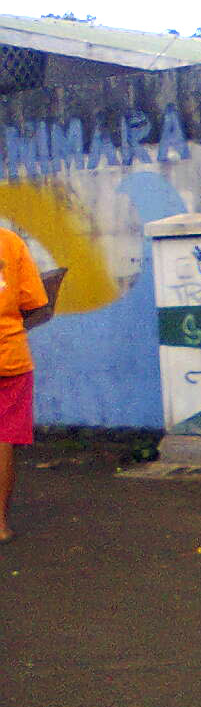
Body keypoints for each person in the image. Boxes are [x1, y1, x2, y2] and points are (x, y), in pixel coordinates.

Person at [0, 225, 50, 544]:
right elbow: (35, 303)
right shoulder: (10, 241)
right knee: (3, 438)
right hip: (9, 356)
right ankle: (0, 524)